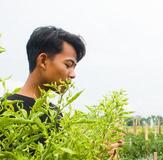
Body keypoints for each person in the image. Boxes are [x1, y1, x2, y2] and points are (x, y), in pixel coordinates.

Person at [3, 25, 123, 153]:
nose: (73, 74)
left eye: (74, 68)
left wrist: (99, 152)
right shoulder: (5, 109)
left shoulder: (56, 113)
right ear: (43, 61)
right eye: (68, 65)